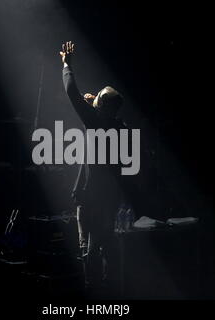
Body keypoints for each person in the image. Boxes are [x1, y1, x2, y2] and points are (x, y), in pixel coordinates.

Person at [60, 41, 132, 292]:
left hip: (91, 198)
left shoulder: (95, 122)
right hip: (109, 199)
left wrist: (67, 64)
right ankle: (110, 289)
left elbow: (71, 91)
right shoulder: (120, 128)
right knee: (105, 244)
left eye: (99, 99)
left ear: (100, 107)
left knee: (88, 246)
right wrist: (95, 106)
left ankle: (94, 291)